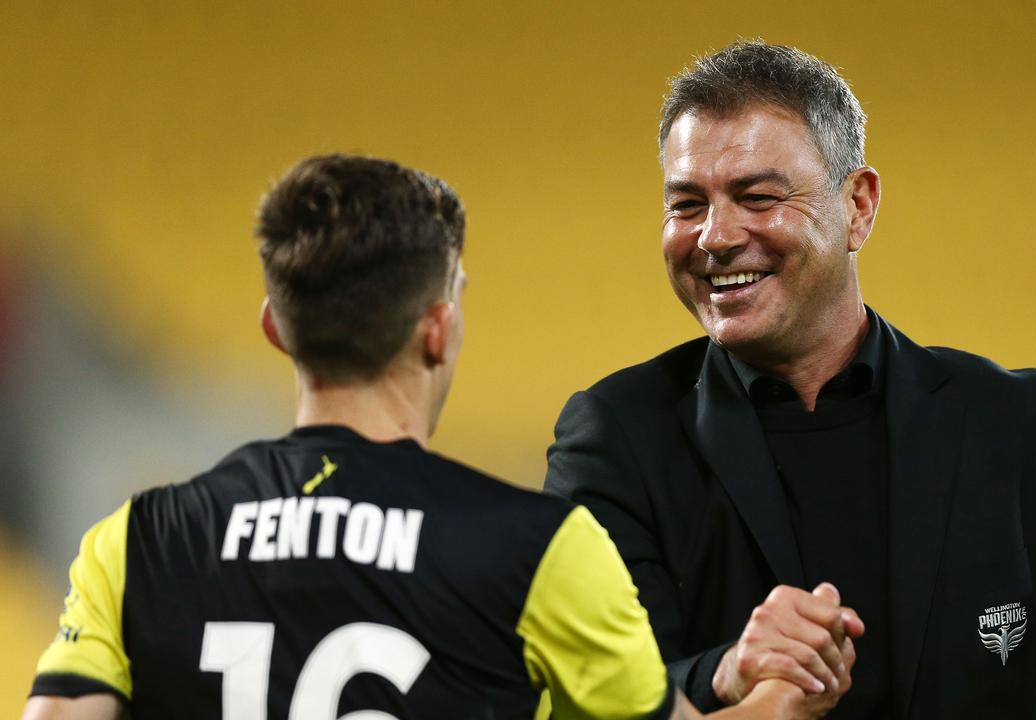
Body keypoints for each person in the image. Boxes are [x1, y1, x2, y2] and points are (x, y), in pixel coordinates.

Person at [545, 41, 1036, 719]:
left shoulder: (1025, 428)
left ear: (857, 205)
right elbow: (594, 695)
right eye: (686, 204)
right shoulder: (614, 437)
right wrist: (725, 673)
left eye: (757, 197)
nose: (715, 235)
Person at [23, 154, 857, 720]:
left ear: (277, 328)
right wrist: (779, 691)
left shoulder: (135, 545)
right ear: (438, 328)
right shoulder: (540, 548)